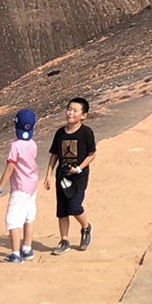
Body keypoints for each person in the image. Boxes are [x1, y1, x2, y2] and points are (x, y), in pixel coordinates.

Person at [47, 97, 96, 254]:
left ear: (83, 115)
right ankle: (64, 240)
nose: (70, 113)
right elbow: (54, 155)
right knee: (62, 210)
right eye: (69, 109)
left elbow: (92, 154)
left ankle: (86, 227)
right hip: (61, 176)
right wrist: (48, 175)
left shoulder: (86, 132)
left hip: (78, 177)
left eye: (75, 110)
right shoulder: (60, 133)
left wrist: (79, 169)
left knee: (74, 206)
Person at [0, 109, 40, 263]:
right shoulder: (33, 144)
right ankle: (27, 248)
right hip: (32, 185)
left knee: (13, 219)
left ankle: (15, 253)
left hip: (20, 188)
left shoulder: (15, 146)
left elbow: (10, 168)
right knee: (28, 216)